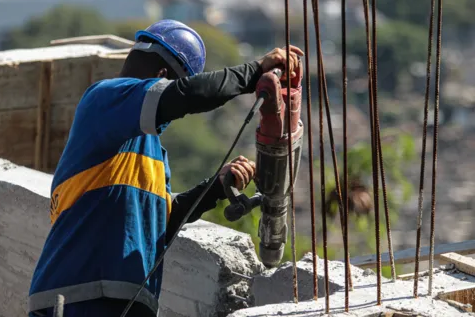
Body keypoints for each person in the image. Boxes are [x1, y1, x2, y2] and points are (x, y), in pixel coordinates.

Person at [28, 19, 304, 317]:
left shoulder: (150, 153)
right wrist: (253, 72)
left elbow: (159, 222)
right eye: (171, 86)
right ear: (160, 78)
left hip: (119, 305)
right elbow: (188, 94)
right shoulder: (103, 99)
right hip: (74, 301)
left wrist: (214, 188)